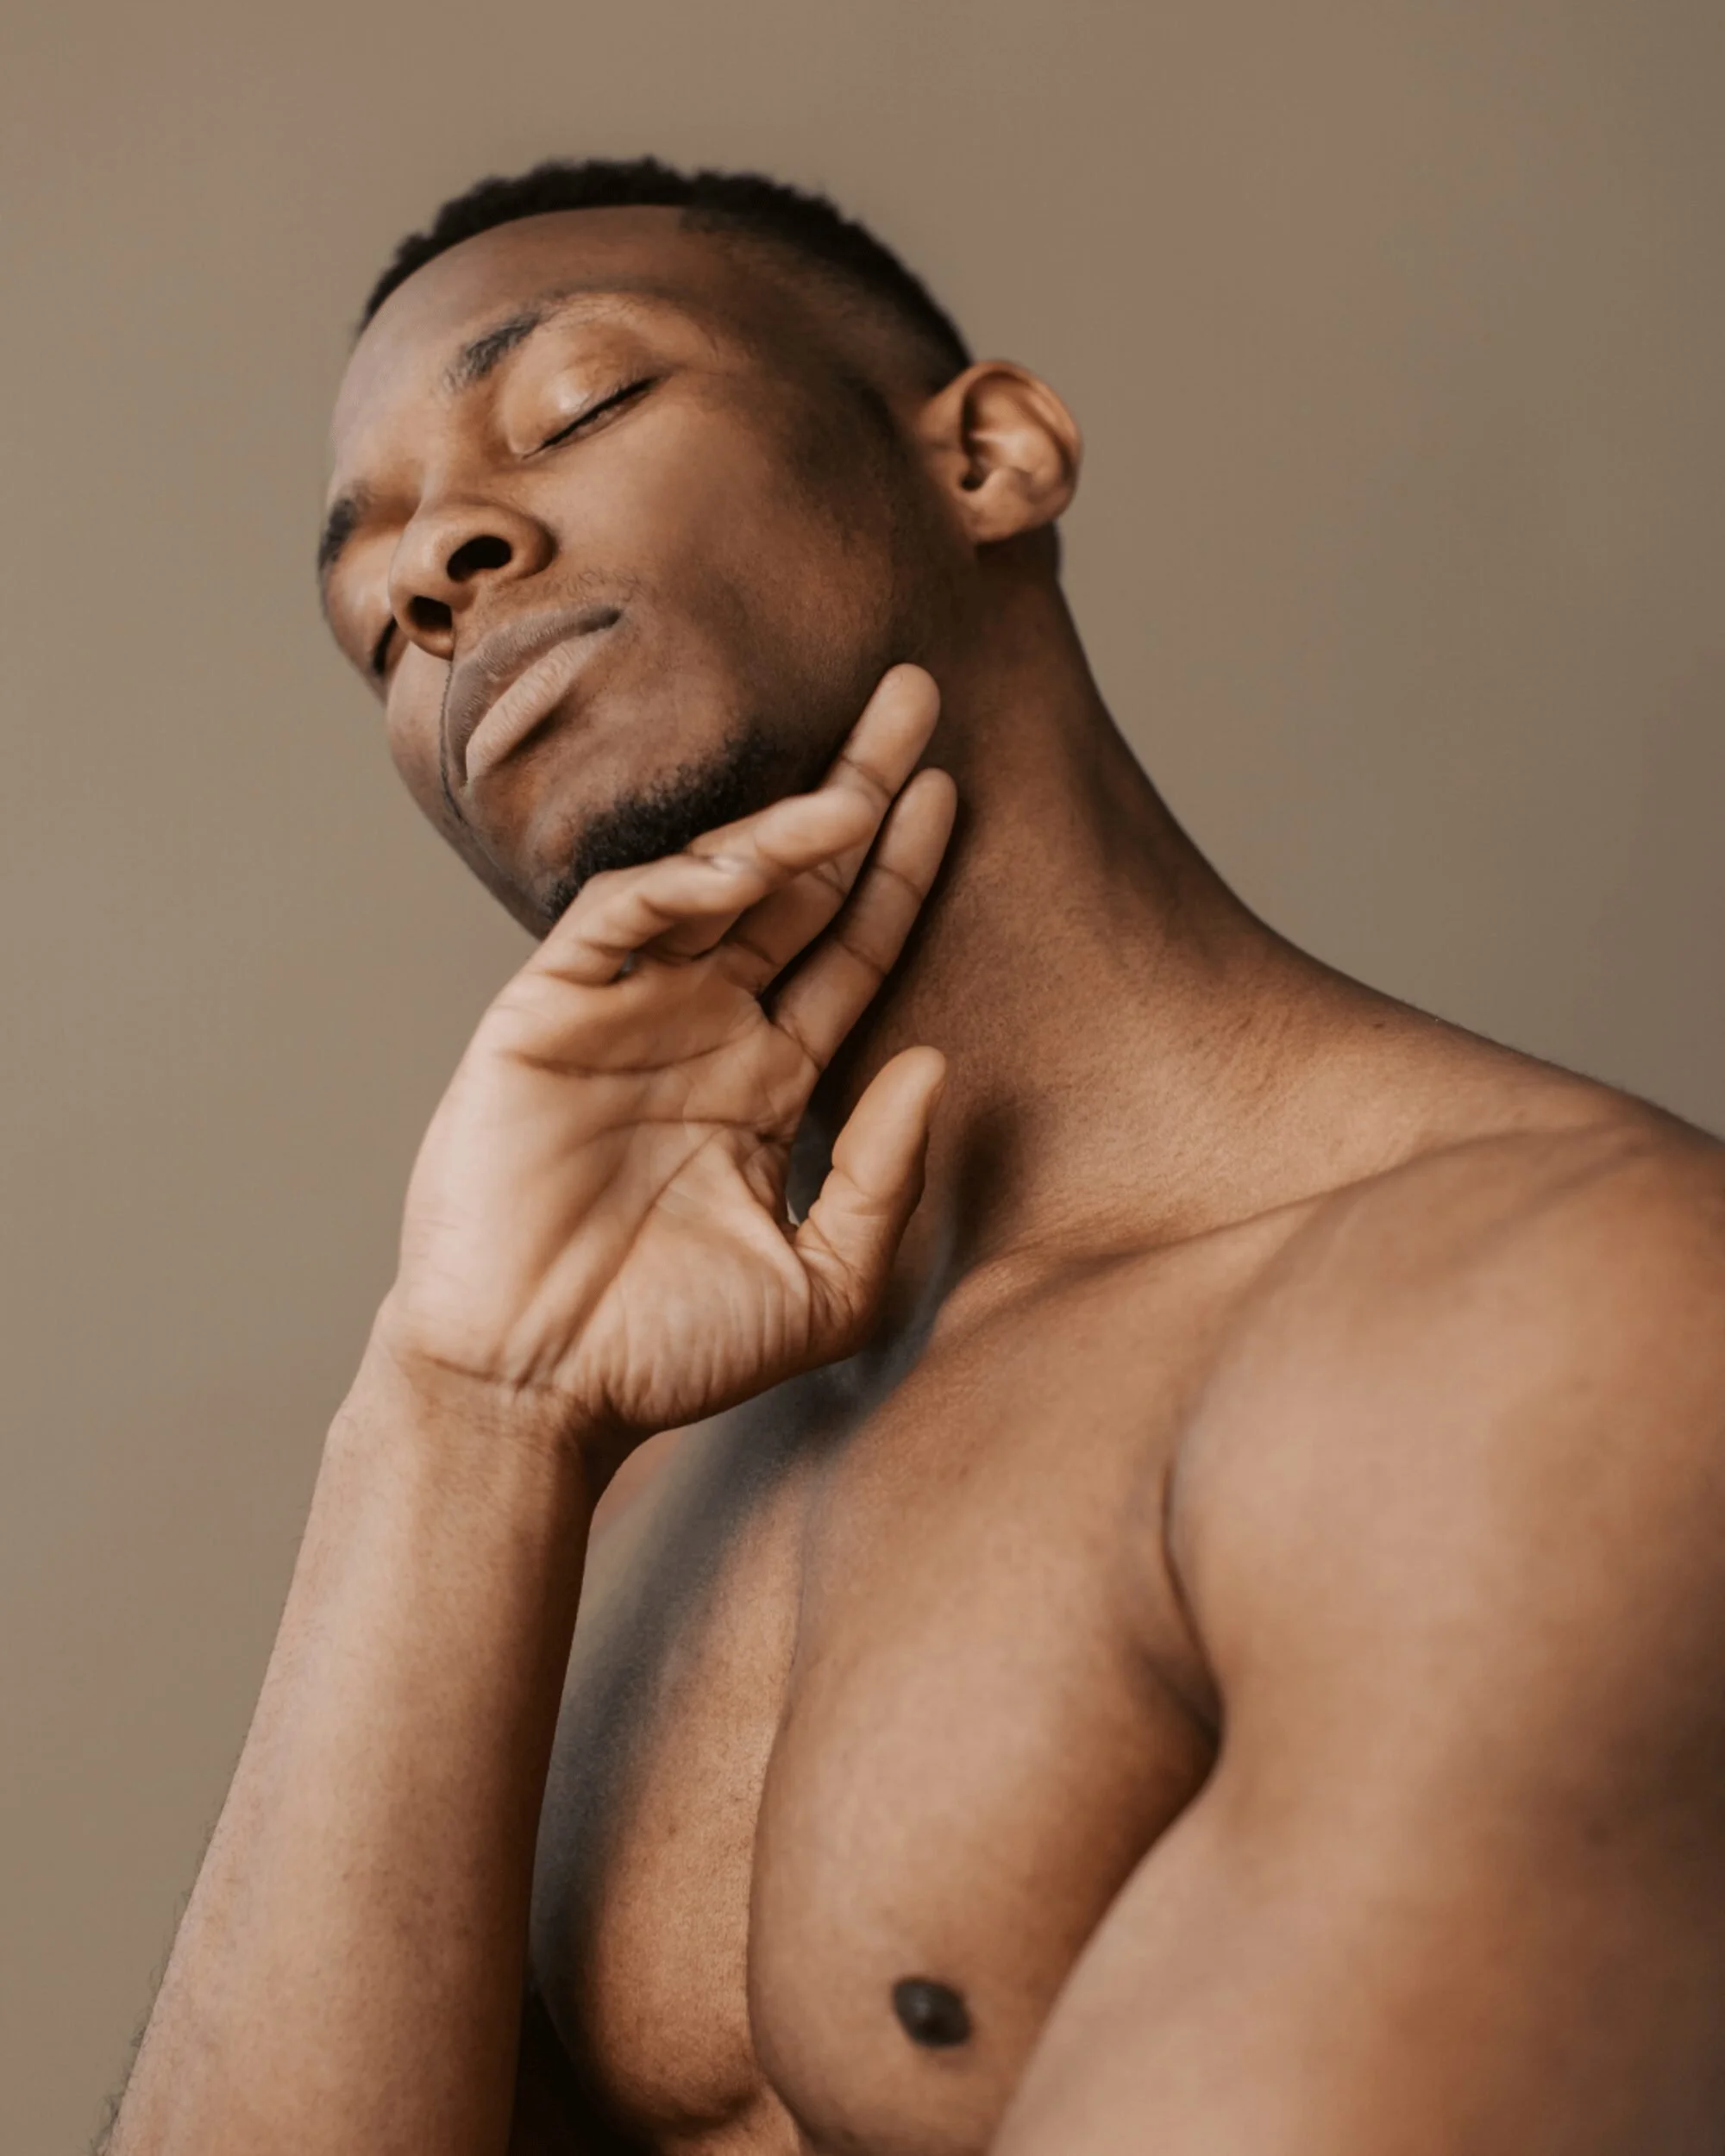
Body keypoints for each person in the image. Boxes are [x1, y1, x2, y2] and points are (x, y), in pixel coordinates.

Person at [106, 159, 1725, 2156]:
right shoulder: (589, 1494)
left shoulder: (1551, 1328)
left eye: (576, 403)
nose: (435, 570)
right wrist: (457, 1407)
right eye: (373, 620)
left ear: (988, 456)